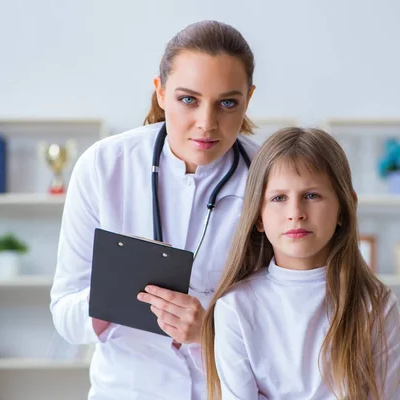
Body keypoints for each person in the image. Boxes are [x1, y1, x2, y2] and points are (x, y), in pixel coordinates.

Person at [50, 20, 260, 400]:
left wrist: (210, 329)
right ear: (160, 92)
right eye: (188, 99)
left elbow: (287, 314)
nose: (206, 123)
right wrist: (110, 296)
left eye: (227, 103)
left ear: (248, 98)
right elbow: (65, 316)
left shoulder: (269, 178)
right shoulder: (104, 166)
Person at [202, 127, 400, 400]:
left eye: (311, 195)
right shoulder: (235, 307)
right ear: (258, 217)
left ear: (343, 209)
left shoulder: (376, 304)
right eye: (279, 198)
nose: (296, 214)